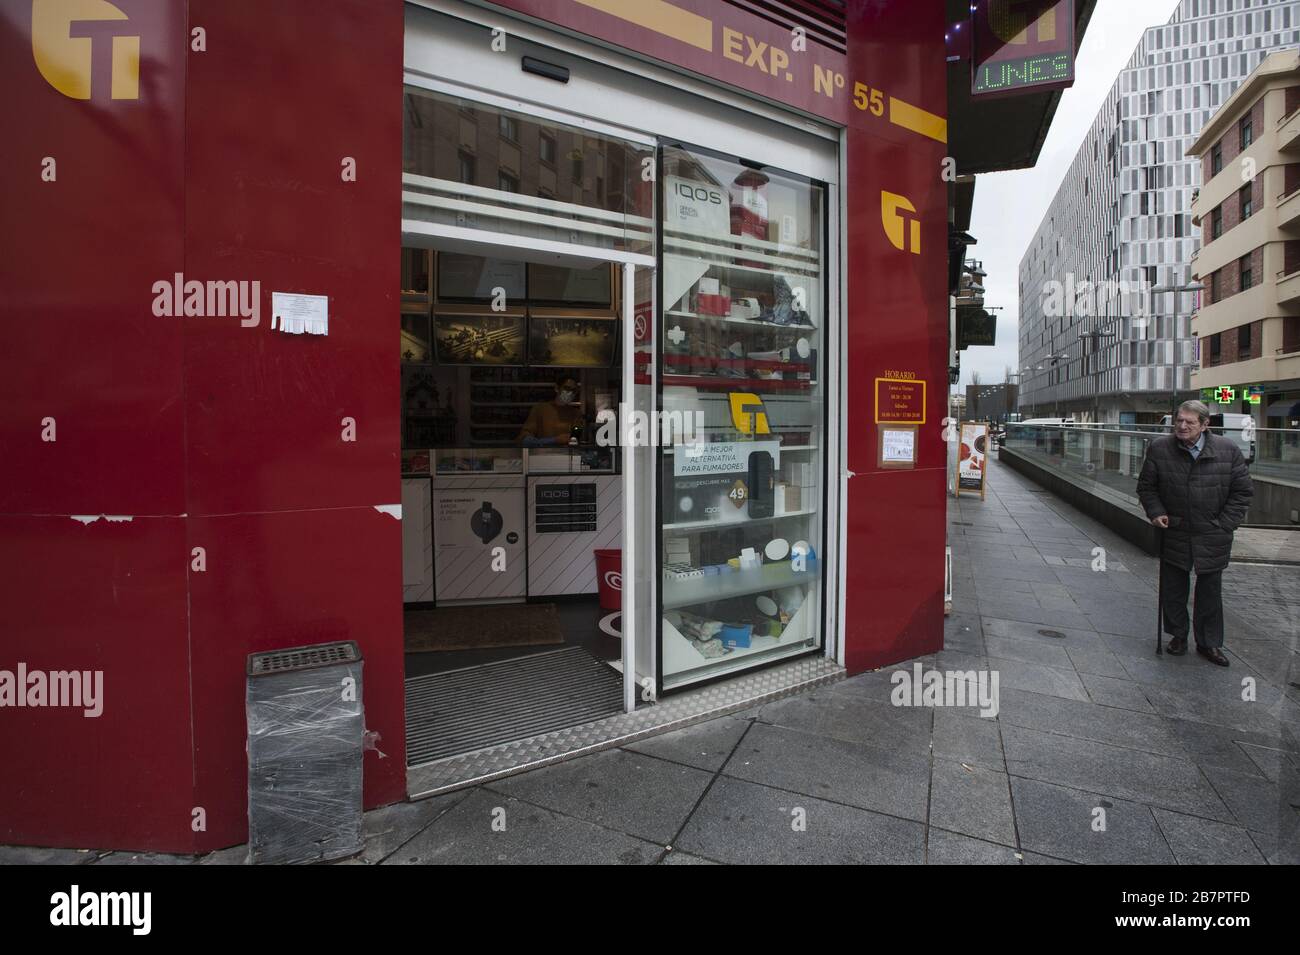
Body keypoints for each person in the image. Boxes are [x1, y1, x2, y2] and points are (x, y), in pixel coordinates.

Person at [1137, 400, 1253, 666]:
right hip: (1175, 528)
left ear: (1204, 424)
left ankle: (1209, 643)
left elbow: (1243, 492)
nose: (1182, 426)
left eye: (1189, 422)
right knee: (1173, 587)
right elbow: (1147, 487)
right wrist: (1155, 512)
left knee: (1210, 591)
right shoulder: (1160, 449)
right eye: (1179, 420)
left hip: (1213, 531)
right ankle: (1178, 635)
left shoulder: (1228, 450)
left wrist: (1225, 523)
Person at [518, 377, 582, 446]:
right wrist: (554, 440)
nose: (570, 393)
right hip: (542, 455)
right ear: (557, 388)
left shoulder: (575, 414)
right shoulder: (540, 410)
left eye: (573, 390)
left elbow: (576, 440)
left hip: (566, 455)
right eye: (567, 388)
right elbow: (524, 439)